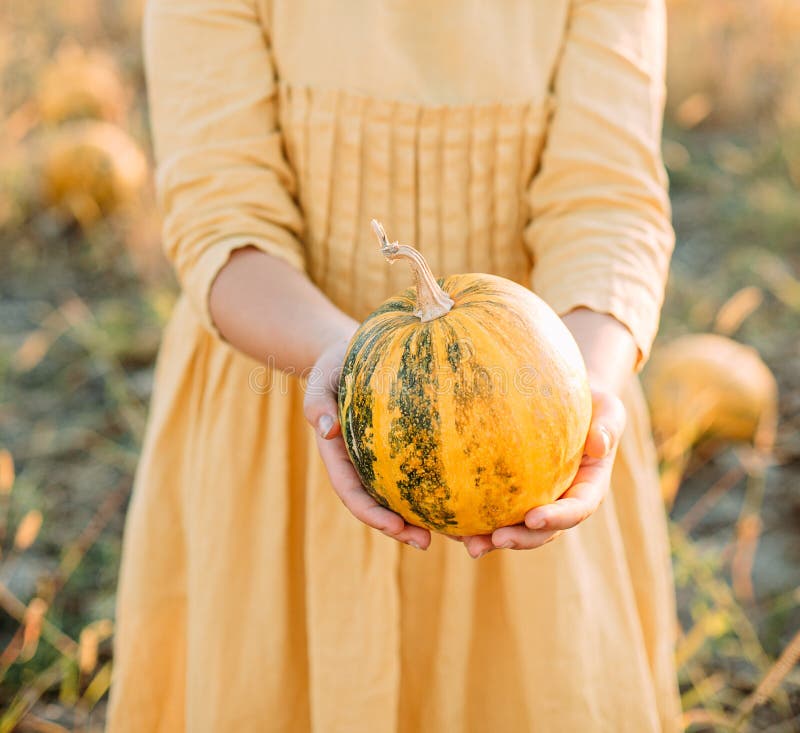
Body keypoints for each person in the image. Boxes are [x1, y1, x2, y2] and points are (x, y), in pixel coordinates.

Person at [107, 1, 680, 731]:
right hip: (288, 374)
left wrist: (587, 384)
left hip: (525, 421)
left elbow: (609, 202)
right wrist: (352, 365)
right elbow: (222, 213)